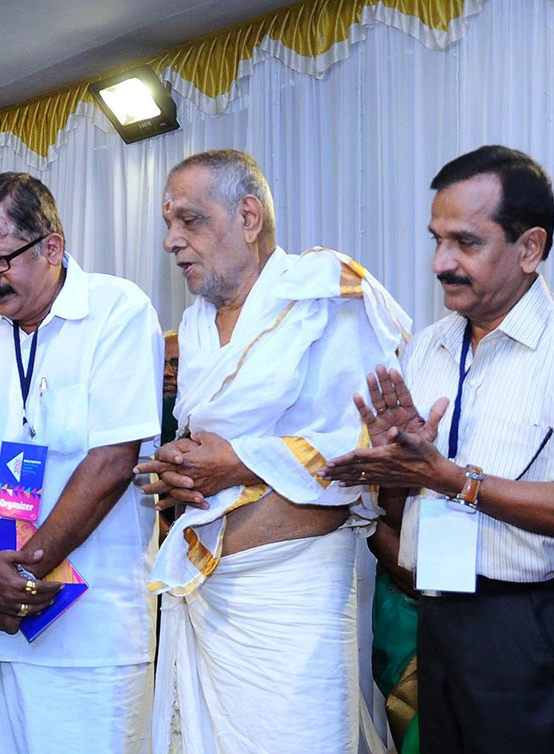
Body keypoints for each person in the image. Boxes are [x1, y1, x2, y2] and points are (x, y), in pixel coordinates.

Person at [324, 145, 554, 753]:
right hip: (440, 622)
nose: (440, 262)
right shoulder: (425, 349)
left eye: (465, 242)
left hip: (539, 630)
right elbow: (402, 514)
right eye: (436, 240)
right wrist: (399, 467)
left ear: (530, 248)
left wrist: (456, 479)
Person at [136, 150, 404, 753]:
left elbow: (373, 446)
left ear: (248, 217)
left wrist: (238, 461)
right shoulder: (198, 326)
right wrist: (181, 472)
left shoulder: (324, 296)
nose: (172, 241)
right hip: (209, 598)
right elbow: (209, 444)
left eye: (189, 221)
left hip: (300, 599)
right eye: (167, 224)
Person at [0, 172, 164, 753]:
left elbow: (112, 461)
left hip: (88, 630)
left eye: (1, 260)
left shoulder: (117, 310)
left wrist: (21, 574)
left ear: (52, 246)